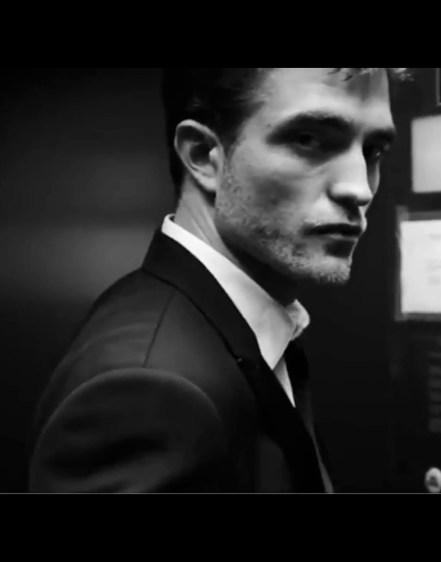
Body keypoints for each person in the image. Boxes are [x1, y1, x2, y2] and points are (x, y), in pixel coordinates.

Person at [28, 68, 409, 492]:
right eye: (308, 139)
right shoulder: (149, 390)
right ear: (203, 155)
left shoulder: (232, 324)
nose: (359, 188)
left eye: (373, 150)